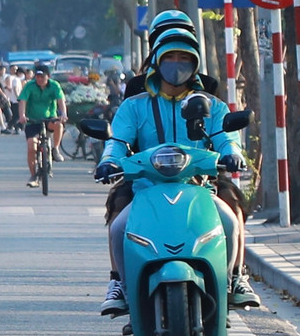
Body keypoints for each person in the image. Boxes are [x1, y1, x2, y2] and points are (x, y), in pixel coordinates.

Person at [95, 35, 259, 315]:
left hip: (200, 186)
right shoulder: (135, 105)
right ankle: (120, 283)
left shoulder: (212, 105)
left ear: (195, 64)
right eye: (170, 57)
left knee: (231, 220)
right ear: (157, 62)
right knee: (118, 226)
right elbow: (118, 140)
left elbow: (226, 136)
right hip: (145, 188)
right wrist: (110, 161)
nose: (176, 64)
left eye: (184, 58)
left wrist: (232, 153)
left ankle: (235, 279)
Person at [18, 64, 66, 186]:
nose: (39, 79)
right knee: (31, 146)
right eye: (37, 76)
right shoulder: (30, 86)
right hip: (33, 120)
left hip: (49, 118)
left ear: (48, 76)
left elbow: (61, 101)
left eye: (42, 77)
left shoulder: (54, 85)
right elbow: (23, 101)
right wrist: (22, 116)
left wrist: (63, 114)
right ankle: (34, 176)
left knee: (59, 126)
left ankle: (55, 149)